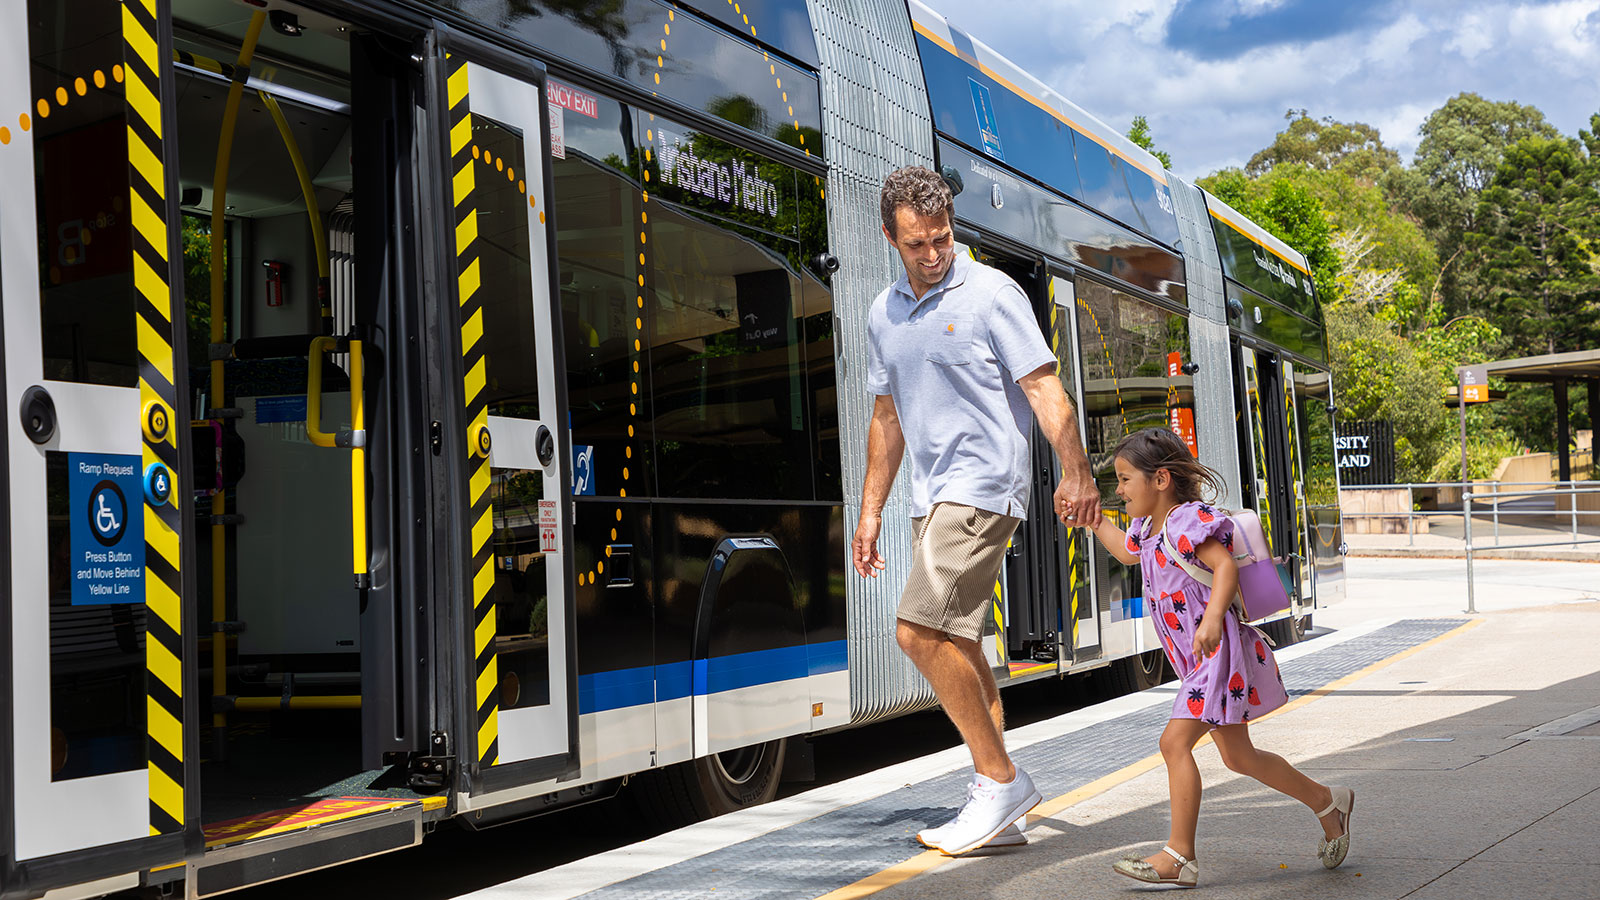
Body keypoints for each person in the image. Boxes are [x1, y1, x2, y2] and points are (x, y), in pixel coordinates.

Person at [852, 165, 1101, 856]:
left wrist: (1077, 470)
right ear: (889, 238)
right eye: (916, 244)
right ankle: (1000, 807)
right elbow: (886, 417)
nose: (933, 254)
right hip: (927, 497)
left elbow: (1045, 389)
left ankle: (1001, 781)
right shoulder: (883, 313)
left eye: (942, 238)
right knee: (958, 643)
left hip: (983, 487)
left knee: (916, 632)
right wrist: (870, 511)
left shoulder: (993, 293)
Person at [1084, 428, 1354, 887]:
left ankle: (1179, 857)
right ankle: (1329, 803)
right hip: (1197, 658)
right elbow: (1127, 554)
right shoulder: (1149, 529)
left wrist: (1210, 620)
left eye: (1126, 479)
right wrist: (1091, 520)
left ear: (1161, 479)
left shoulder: (1187, 520)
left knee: (1173, 744)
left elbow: (1225, 566)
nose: (1120, 490)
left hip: (1216, 653)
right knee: (1239, 757)